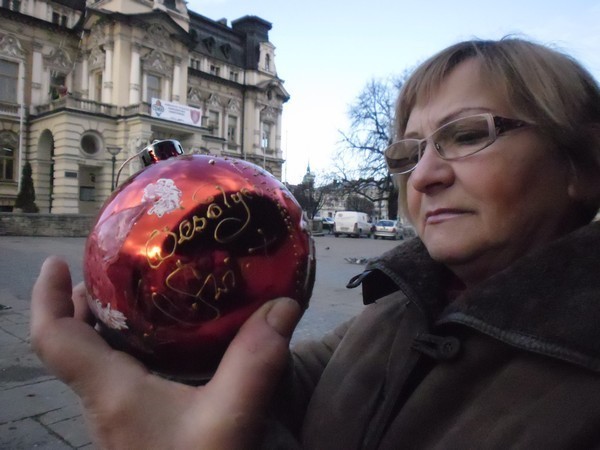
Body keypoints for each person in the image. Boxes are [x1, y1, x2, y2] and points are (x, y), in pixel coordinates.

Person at [31, 37, 600, 449]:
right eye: (408, 153)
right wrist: (164, 354)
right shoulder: (398, 309)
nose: (424, 176)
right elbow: (285, 388)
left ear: (581, 165)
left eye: (469, 135)